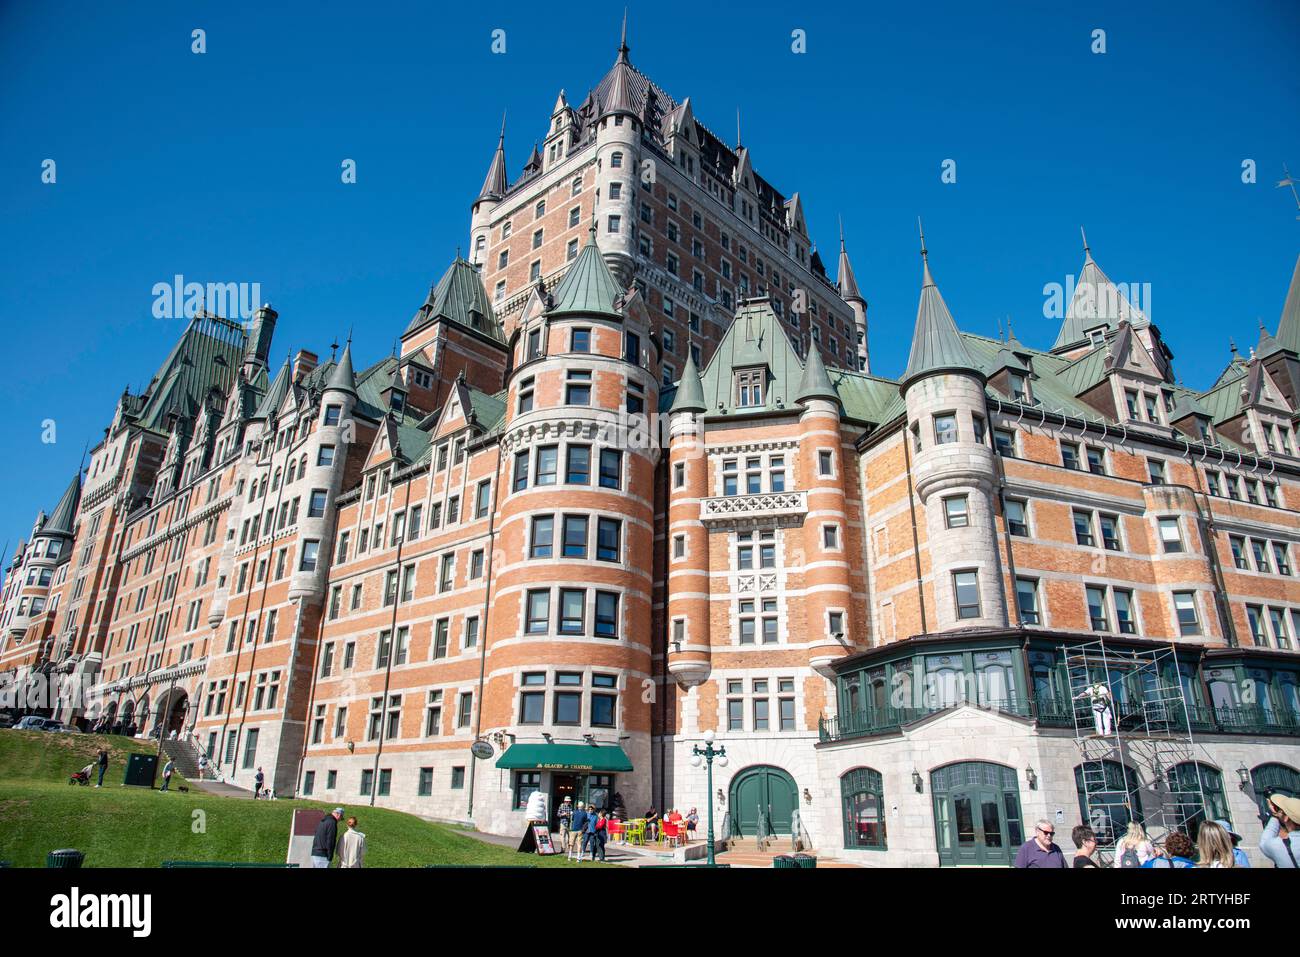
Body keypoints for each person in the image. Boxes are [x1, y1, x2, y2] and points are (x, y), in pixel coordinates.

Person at [1260, 793, 1299, 868]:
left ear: (1286, 818)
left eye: (1281, 811)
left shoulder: (1280, 845)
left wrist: (1275, 816)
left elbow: (1264, 843)